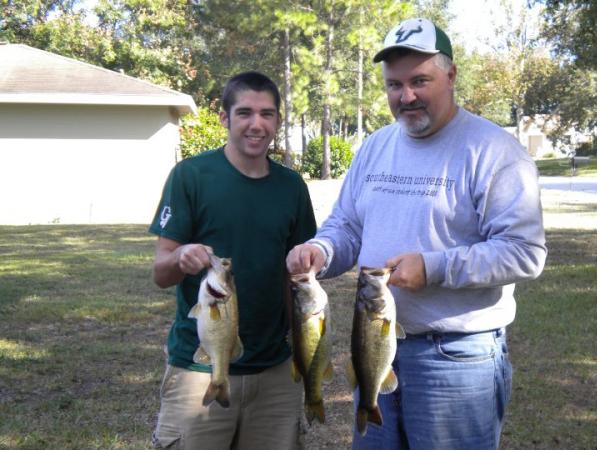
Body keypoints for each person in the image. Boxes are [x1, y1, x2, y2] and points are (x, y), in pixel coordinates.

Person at [286, 17, 547, 450]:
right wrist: (321, 249)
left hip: (457, 359)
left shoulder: (494, 151)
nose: (406, 96)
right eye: (394, 85)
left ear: (451, 75)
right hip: (374, 347)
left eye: (420, 81)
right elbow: (347, 225)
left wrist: (434, 267)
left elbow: (524, 252)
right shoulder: (376, 146)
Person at [149, 71, 316, 450]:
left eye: (268, 114)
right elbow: (160, 272)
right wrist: (180, 256)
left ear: (277, 120)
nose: (257, 124)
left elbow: (299, 280)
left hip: (275, 371)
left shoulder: (291, 187)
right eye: (245, 113)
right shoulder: (190, 176)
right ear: (224, 117)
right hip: (200, 368)